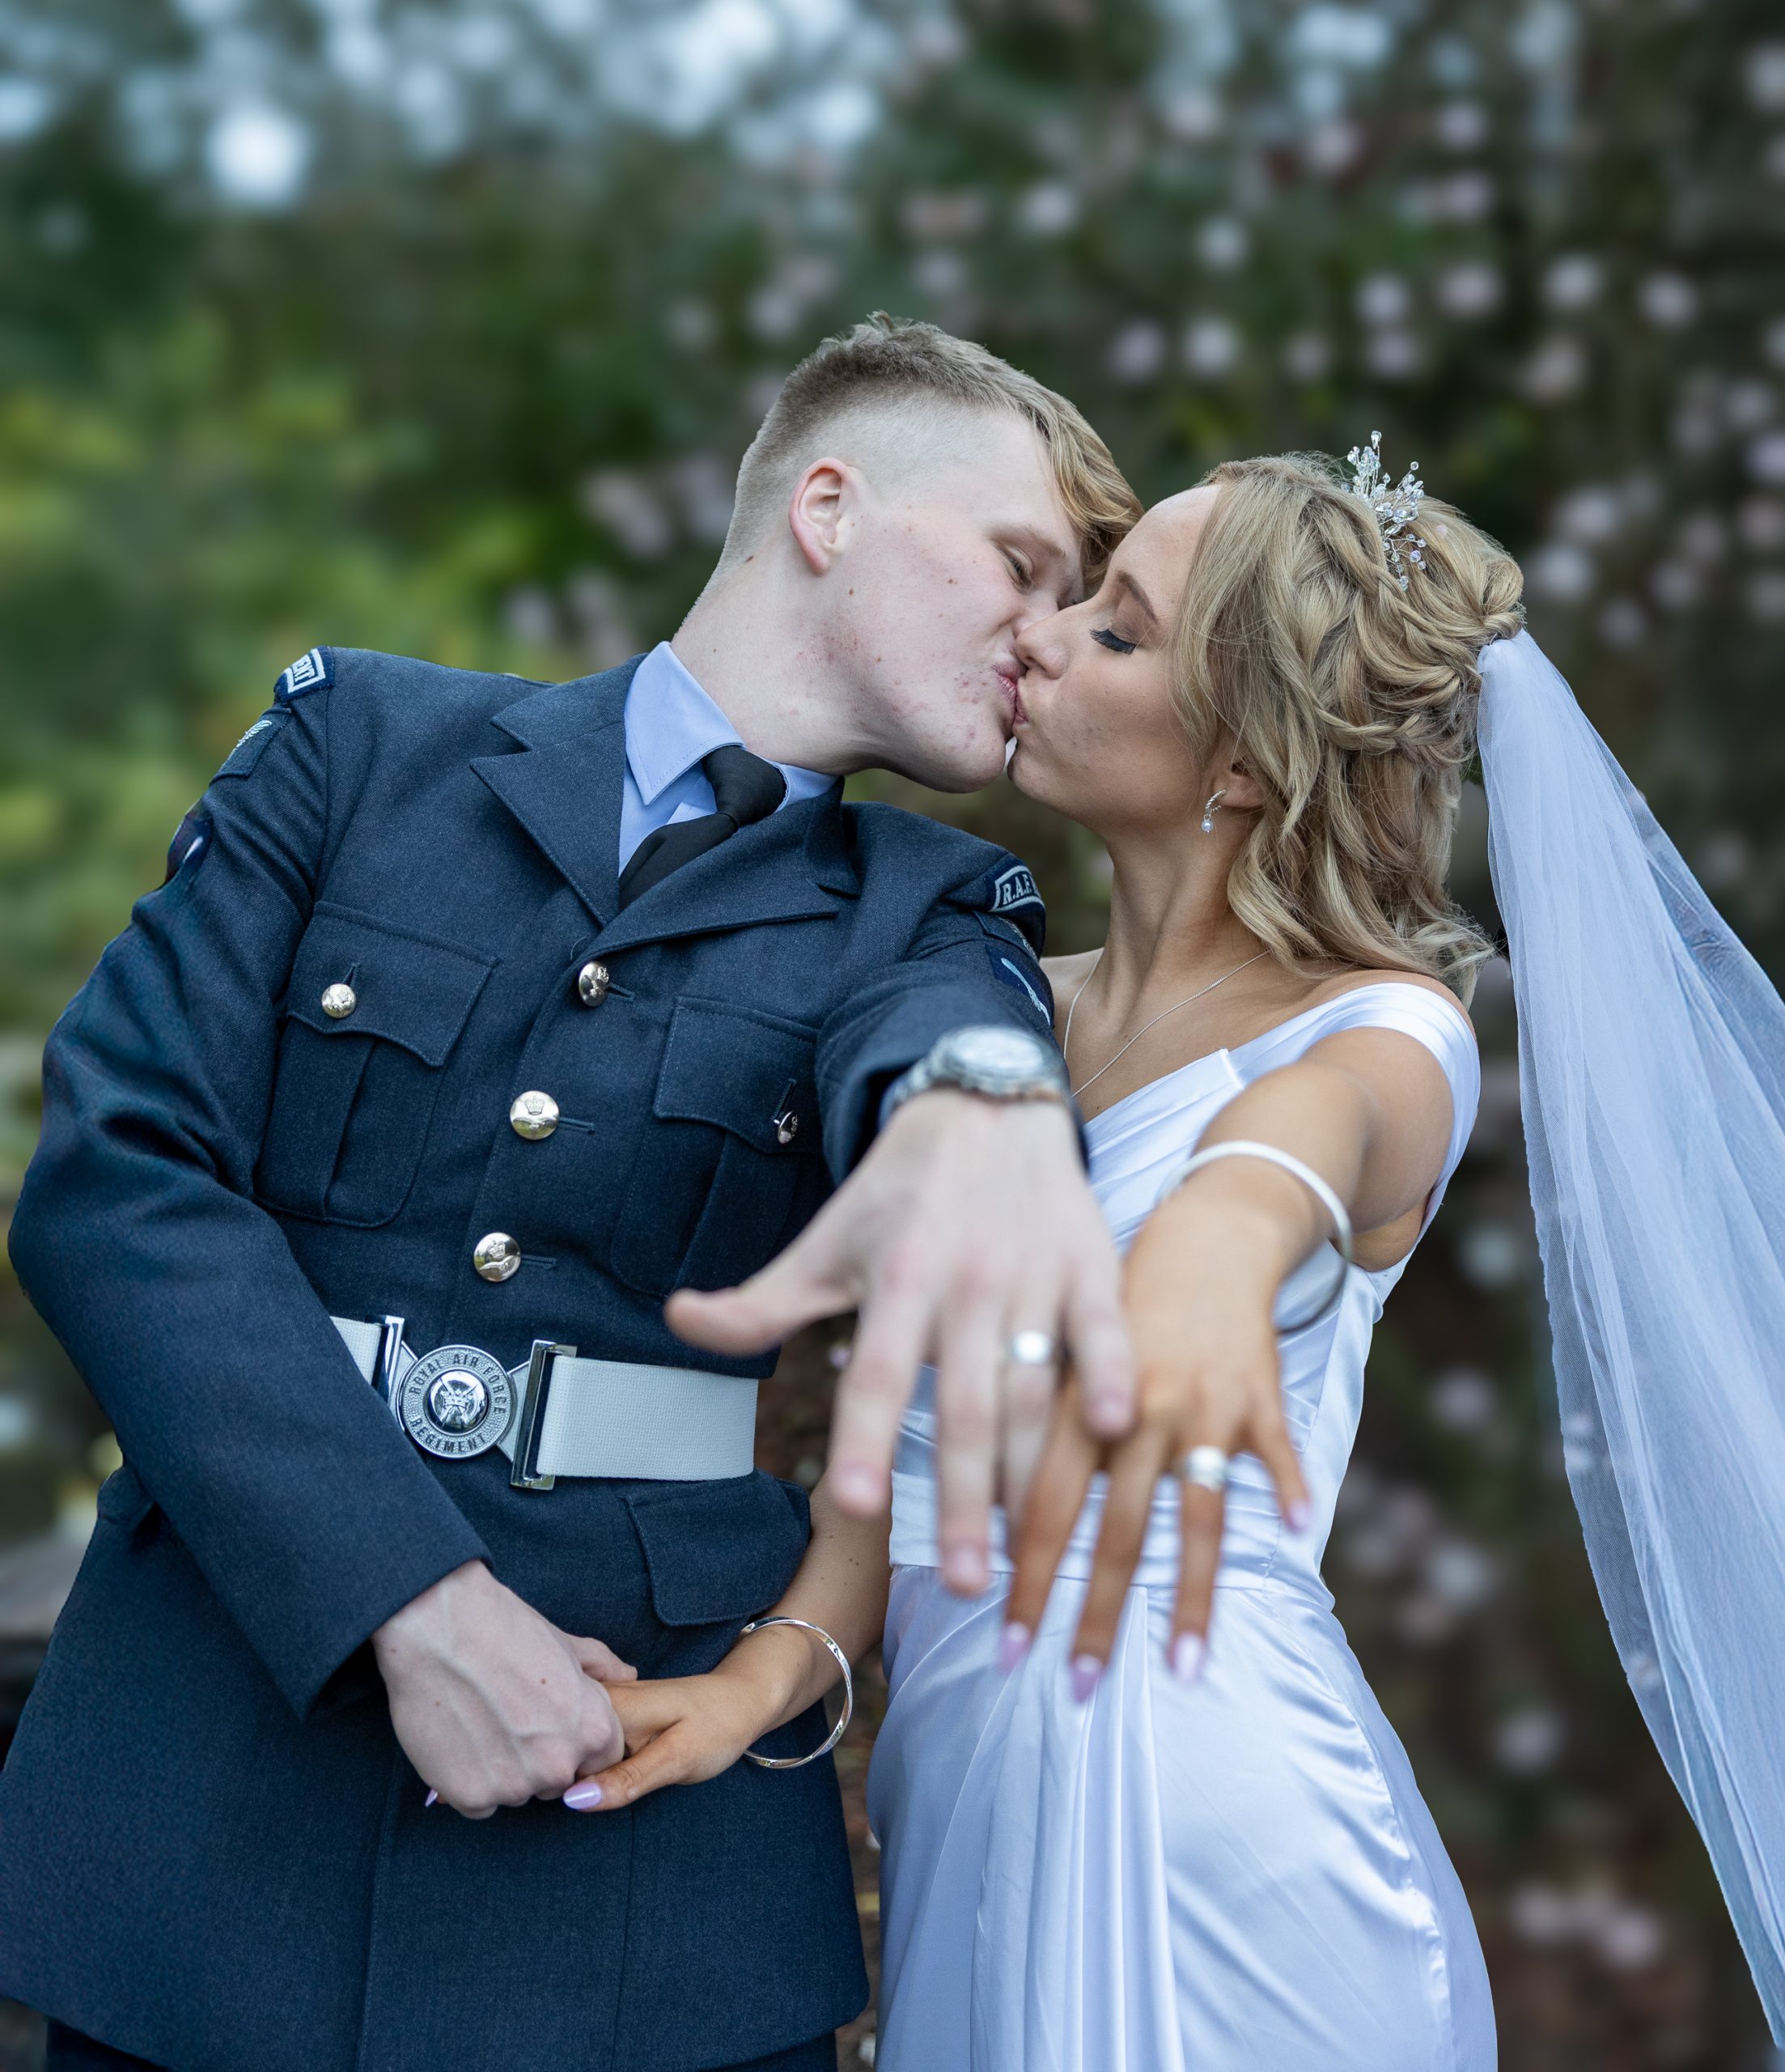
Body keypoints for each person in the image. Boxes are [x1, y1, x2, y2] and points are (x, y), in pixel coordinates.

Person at [0, 316, 1141, 2072]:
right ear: (827, 504)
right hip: (209, 1803)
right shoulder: (358, 742)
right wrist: (409, 1595)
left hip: (638, 1884)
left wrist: (982, 1108)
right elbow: (114, 1168)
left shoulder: (933, 910)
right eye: (1021, 563)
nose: (1045, 632)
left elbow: (952, 1054)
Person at [580, 441, 1785, 2066]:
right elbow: (929, 1428)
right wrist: (758, 1679)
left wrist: (1218, 1230)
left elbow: (1303, 1137)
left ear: (1236, 761)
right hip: (971, 1817)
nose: (1042, 634)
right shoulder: (986, 1003)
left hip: (1216, 1838)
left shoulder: (1382, 1029)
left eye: (1117, 628)